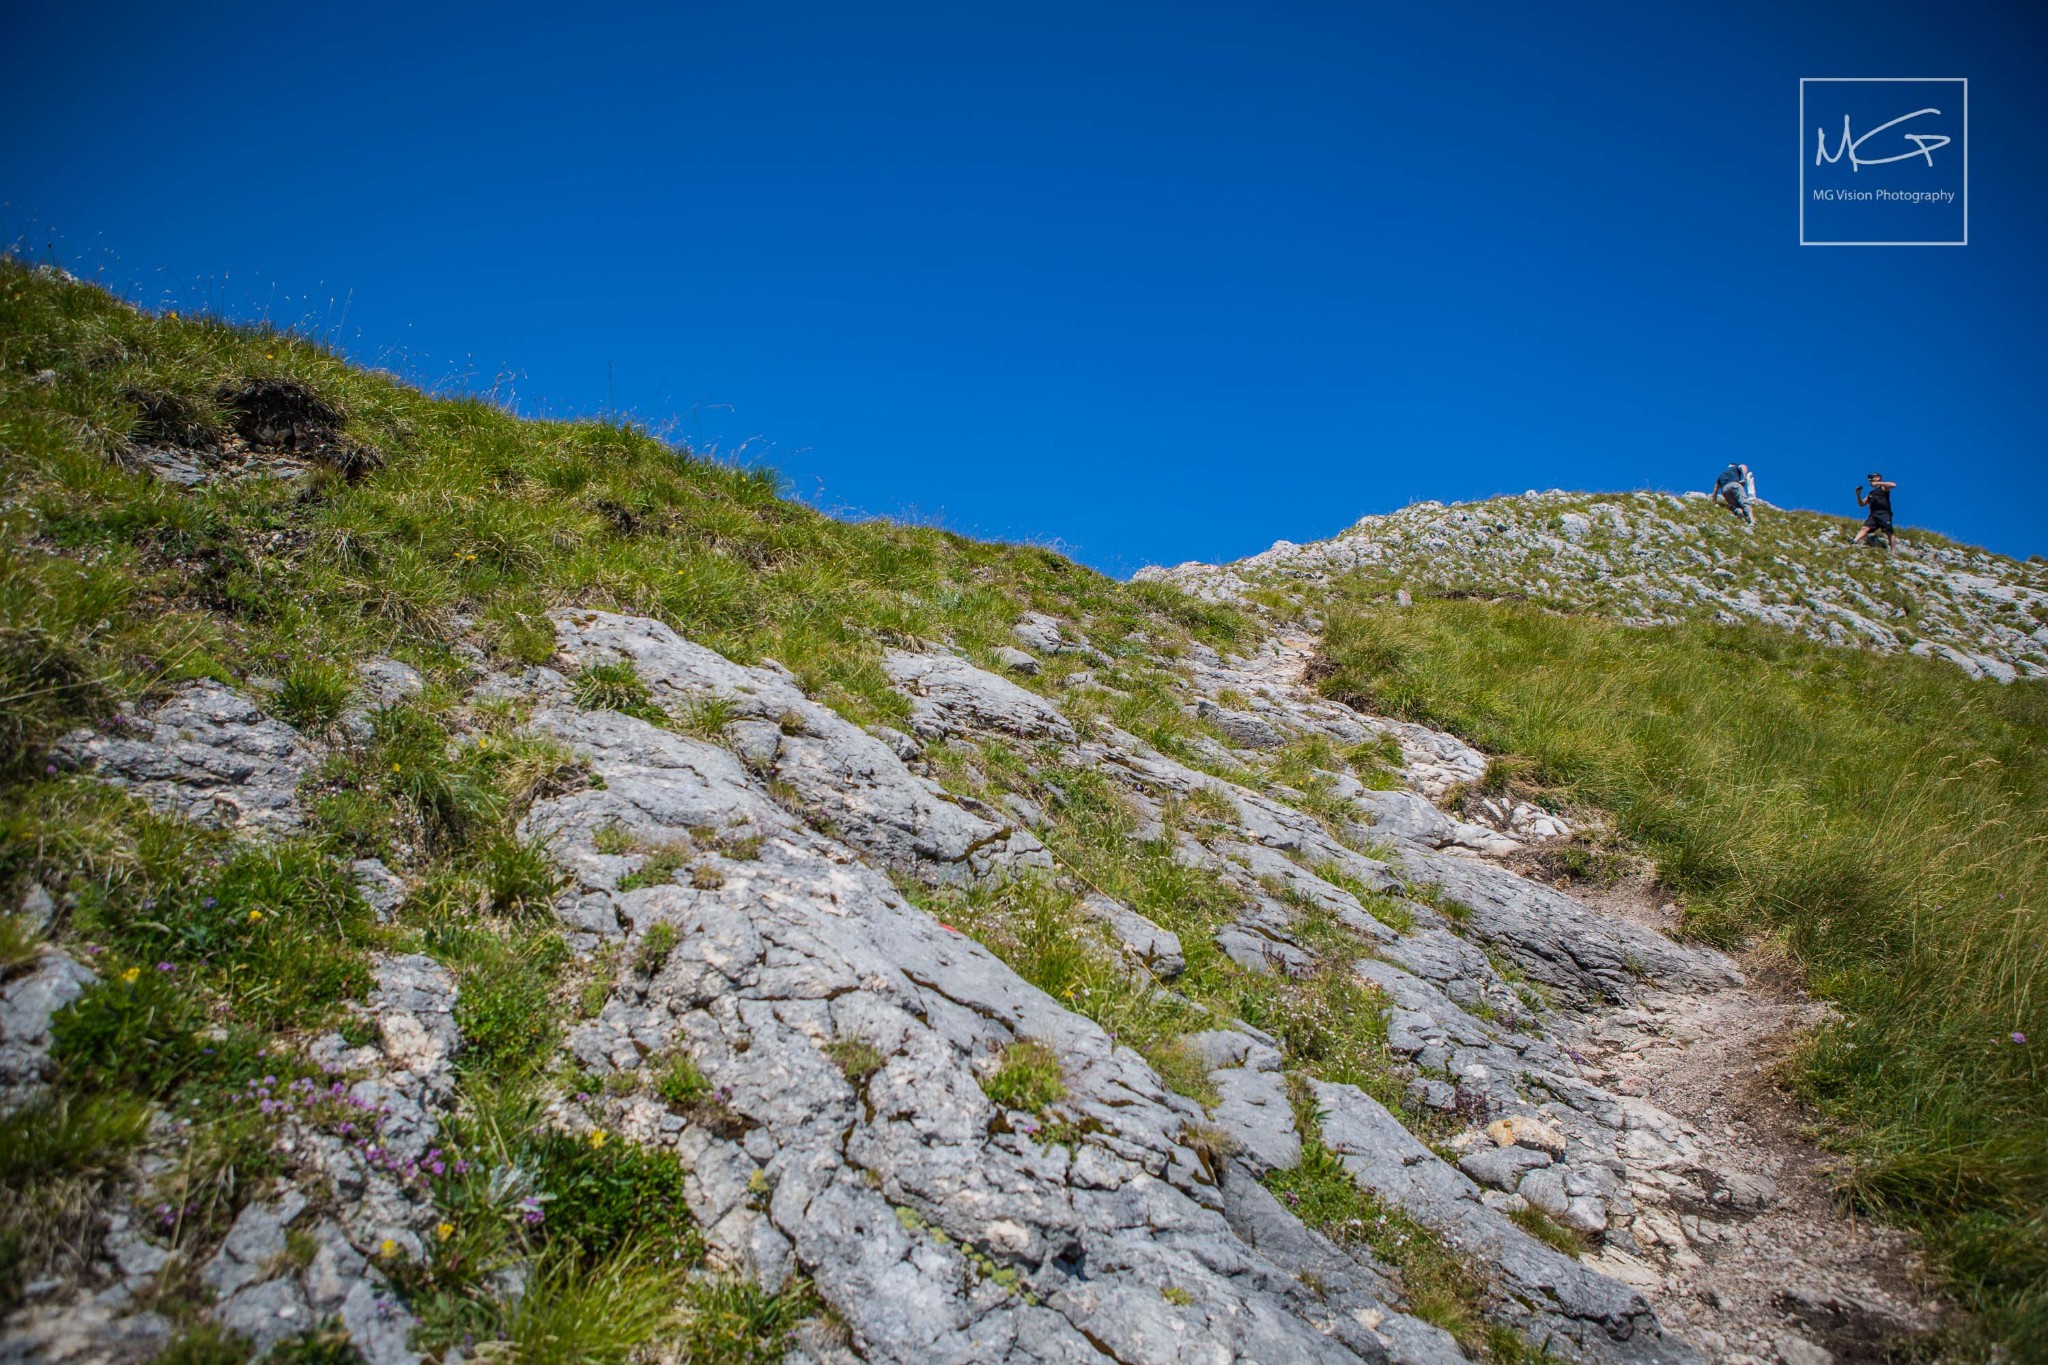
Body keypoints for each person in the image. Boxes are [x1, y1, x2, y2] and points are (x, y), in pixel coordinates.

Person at [1853, 473, 1897, 549]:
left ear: (1878, 478)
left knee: (1888, 531)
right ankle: (1854, 541)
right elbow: (1862, 504)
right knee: (1865, 528)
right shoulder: (1870, 493)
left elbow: (1893, 485)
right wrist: (1858, 495)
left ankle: (1893, 552)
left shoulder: (1883, 487)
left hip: (1884, 513)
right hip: (1873, 515)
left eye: (1873, 478)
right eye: (1870, 479)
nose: (1871, 480)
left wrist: (1878, 483)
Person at [1713, 462, 1756, 526]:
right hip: (1734, 484)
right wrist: (1744, 478)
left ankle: (1740, 514)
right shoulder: (1735, 467)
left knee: (1734, 505)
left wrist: (1714, 501)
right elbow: (1743, 466)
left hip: (1724, 490)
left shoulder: (1721, 475)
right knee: (1744, 502)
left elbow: (1716, 488)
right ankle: (1752, 520)